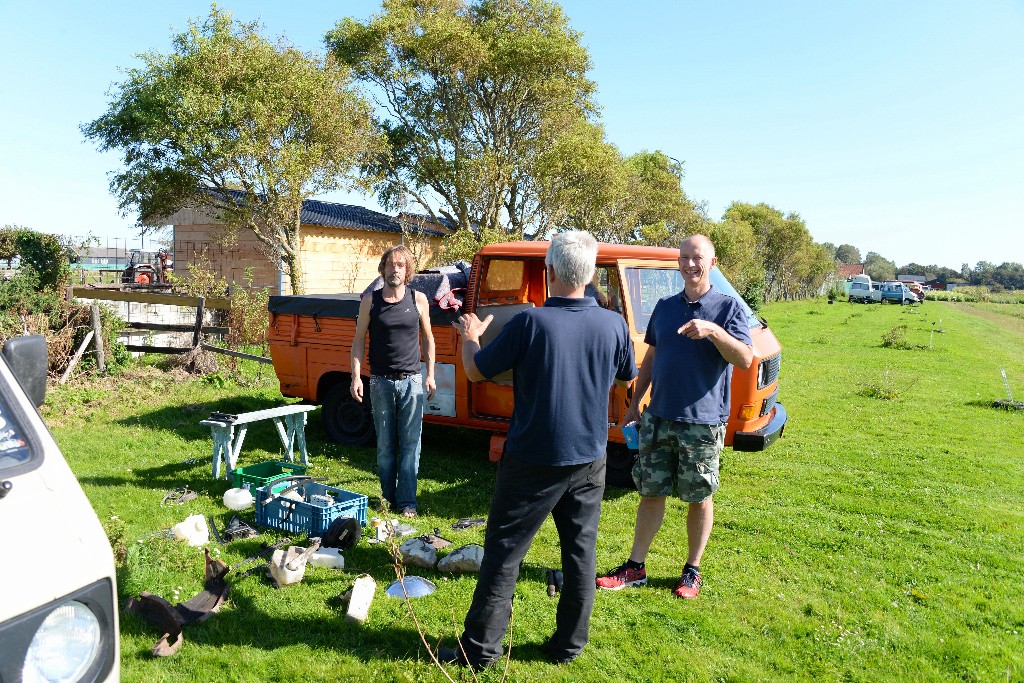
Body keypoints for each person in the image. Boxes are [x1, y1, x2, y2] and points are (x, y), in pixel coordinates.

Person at [439, 231, 636, 669]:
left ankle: (481, 652)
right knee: (580, 555)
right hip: (589, 458)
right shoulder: (614, 324)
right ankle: (568, 647)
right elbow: (624, 380)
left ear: (548, 272)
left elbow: (474, 372)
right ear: (588, 274)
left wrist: (471, 334)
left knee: (505, 553)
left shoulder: (530, 322)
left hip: (532, 459)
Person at [596, 234, 753, 599]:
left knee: (699, 496)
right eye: (684, 257)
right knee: (651, 492)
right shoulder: (664, 307)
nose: (689, 264)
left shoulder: (728, 309)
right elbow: (651, 356)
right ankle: (635, 567)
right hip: (659, 417)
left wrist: (714, 332)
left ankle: (692, 570)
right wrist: (635, 405)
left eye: (697, 257)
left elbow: (745, 358)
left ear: (711, 263)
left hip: (703, 421)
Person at [350, 245, 436, 518]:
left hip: (411, 381)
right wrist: (355, 376)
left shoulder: (418, 299)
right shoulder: (370, 301)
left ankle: (407, 501)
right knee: (386, 446)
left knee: (411, 444)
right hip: (380, 382)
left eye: (400, 265)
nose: (395, 269)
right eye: (390, 264)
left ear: (407, 270)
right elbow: (358, 341)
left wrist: (430, 374)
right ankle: (387, 498)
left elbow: (429, 339)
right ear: (383, 268)